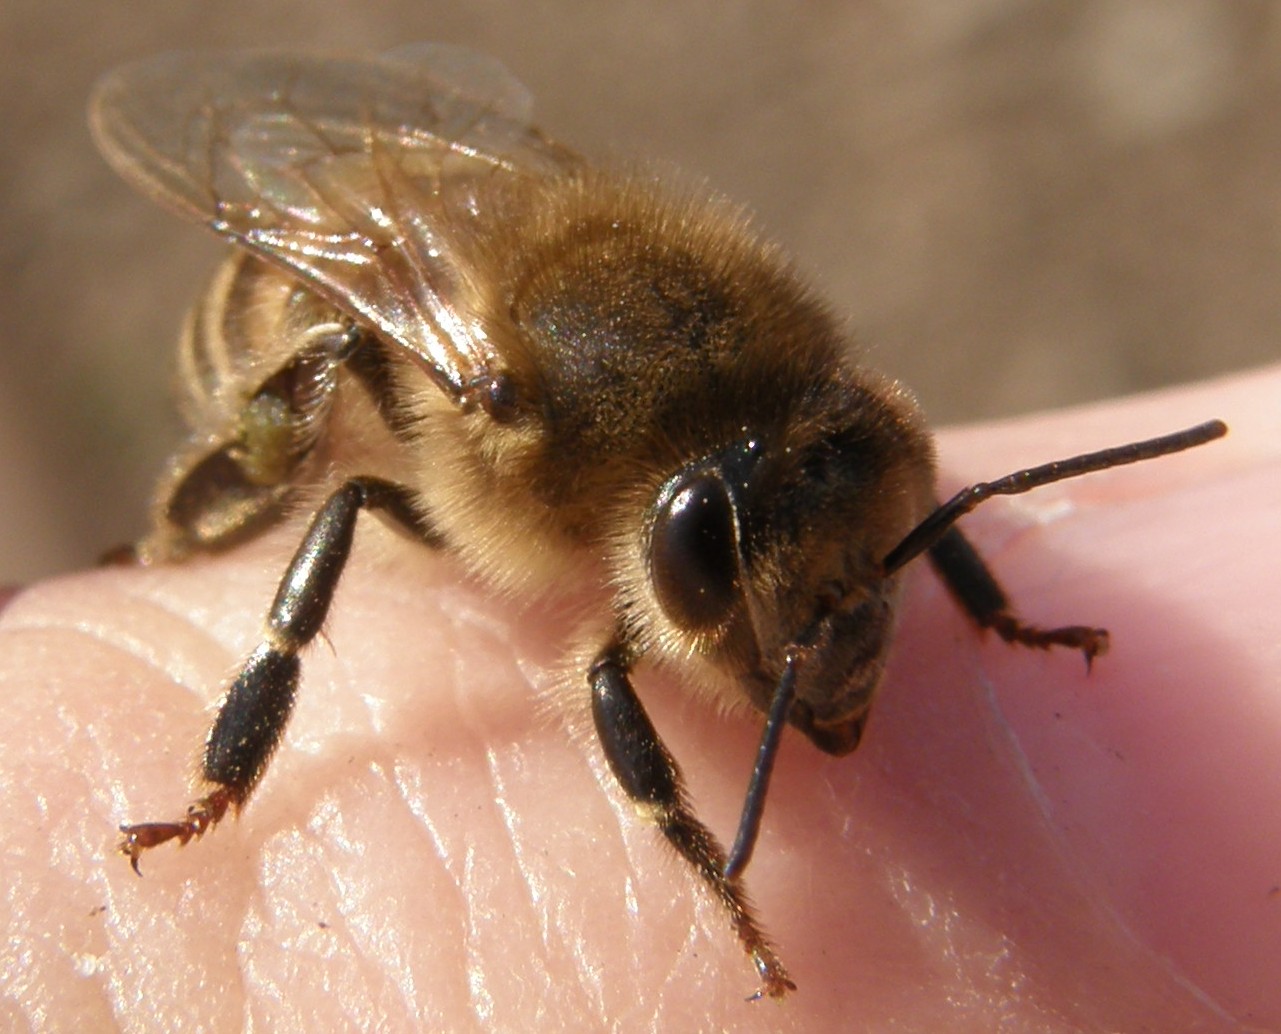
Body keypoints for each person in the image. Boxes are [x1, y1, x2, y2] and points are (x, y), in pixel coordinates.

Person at [0, 365, 1275, 1031]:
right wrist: (724, 883)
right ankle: (226, 763)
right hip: (417, 321)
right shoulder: (526, 431)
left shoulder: (755, 446)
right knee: (344, 448)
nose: (827, 636)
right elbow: (602, 653)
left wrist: (995, 616)